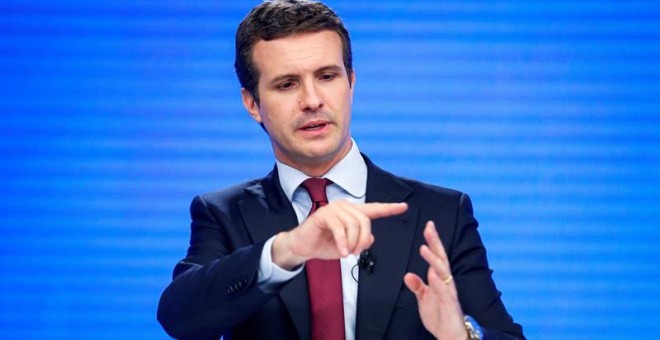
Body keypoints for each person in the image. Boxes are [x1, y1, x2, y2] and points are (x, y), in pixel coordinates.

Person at [157, 1, 524, 339]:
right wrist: (285, 249)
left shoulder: (441, 213)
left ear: (351, 82)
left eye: (327, 76)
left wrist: (459, 336)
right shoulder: (224, 213)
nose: (312, 100)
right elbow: (179, 318)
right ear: (252, 103)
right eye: (287, 84)